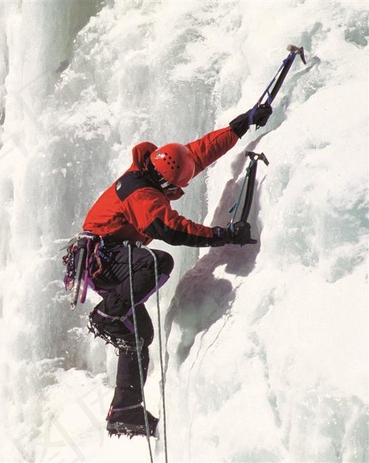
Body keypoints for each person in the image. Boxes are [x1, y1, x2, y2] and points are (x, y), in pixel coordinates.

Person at [80, 103, 273, 438]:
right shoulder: (141, 193)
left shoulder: (156, 169)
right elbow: (171, 229)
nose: (174, 195)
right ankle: (108, 315)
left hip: (108, 259)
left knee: (139, 334)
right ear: (165, 184)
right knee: (158, 262)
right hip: (104, 258)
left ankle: (125, 411)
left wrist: (241, 126)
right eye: (174, 191)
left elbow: (197, 154)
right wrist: (221, 235)